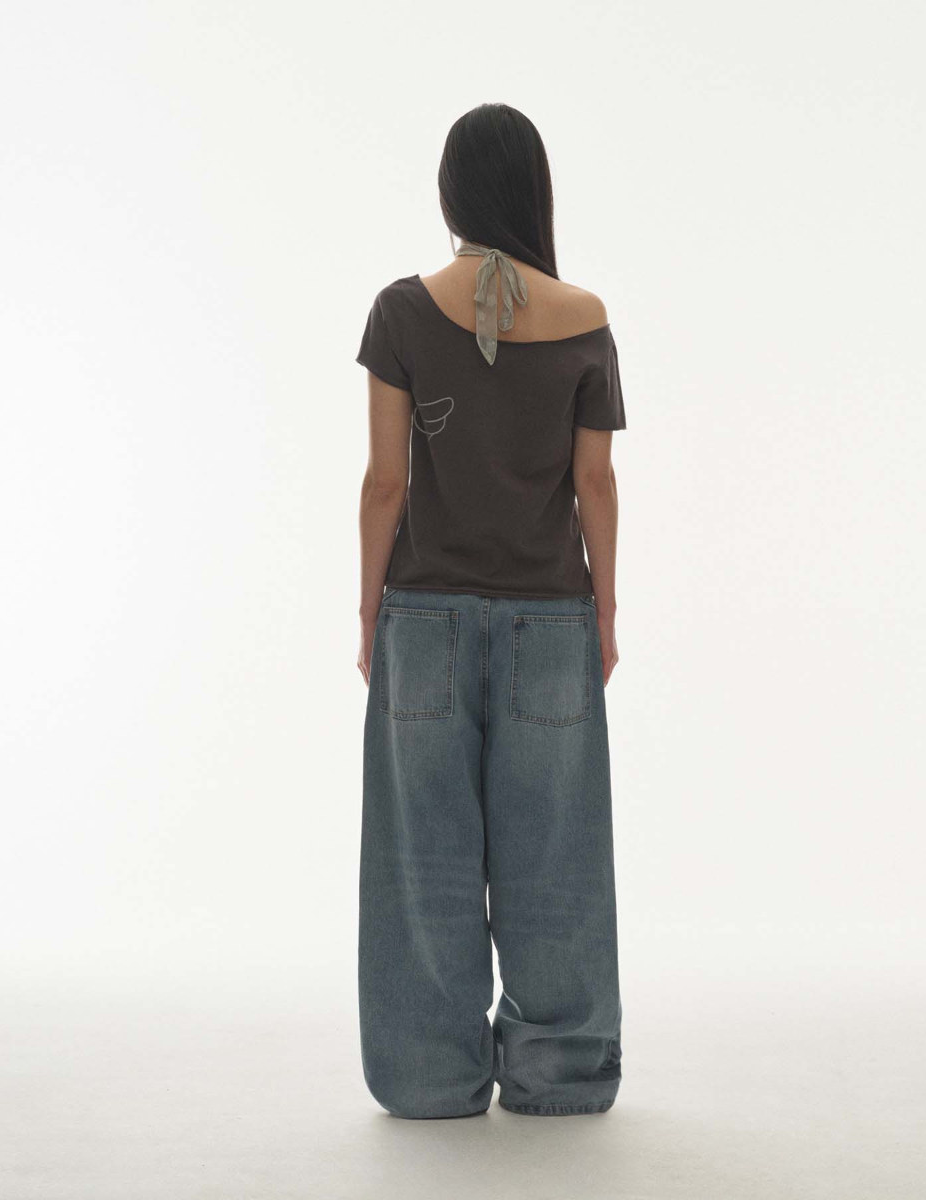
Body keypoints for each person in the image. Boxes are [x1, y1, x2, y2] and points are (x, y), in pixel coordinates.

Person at [354, 102, 626, 1119]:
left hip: (422, 617)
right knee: (554, 851)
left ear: (452, 194)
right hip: (550, 621)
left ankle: (428, 1078)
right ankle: (561, 1073)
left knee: (421, 854)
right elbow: (594, 483)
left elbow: (386, 482)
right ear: (533, 192)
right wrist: (604, 612)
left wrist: (368, 611)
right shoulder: (585, 317)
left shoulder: (400, 311)